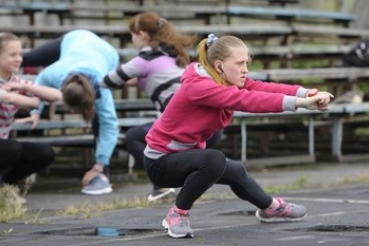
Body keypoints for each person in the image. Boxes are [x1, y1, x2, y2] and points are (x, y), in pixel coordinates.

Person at [143, 33, 334, 239]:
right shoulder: (199, 87)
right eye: (240, 63)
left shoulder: (223, 79)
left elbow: (261, 87)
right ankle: (177, 214)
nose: (245, 70)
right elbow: (248, 100)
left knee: (236, 171)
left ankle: (270, 208)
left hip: (184, 155)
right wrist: (304, 105)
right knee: (214, 159)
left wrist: (306, 93)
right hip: (160, 162)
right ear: (219, 66)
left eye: (246, 63)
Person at [102, 11, 223, 202]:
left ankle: (162, 183)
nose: (132, 39)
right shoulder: (176, 56)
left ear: (142, 35)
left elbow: (108, 81)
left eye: (132, 35)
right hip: (210, 128)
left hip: (186, 128)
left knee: (134, 137)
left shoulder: (144, 60)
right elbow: (148, 77)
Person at [19, 29, 120, 195]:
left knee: (101, 121)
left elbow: (110, 127)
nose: (72, 111)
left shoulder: (102, 91)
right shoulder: (56, 72)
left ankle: (101, 170)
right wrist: (36, 111)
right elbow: (39, 82)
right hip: (74, 40)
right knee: (24, 58)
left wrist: (99, 165)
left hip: (106, 54)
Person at [0, 32, 62, 186]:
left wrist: (23, 86)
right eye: (12, 55)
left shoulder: (16, 81)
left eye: (20, 54)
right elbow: (8, 97)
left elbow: (56, 95)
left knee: (44, 153)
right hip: (5, 146)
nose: (18, 59)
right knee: (12, 148)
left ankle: (5, 186)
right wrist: (33, 102)